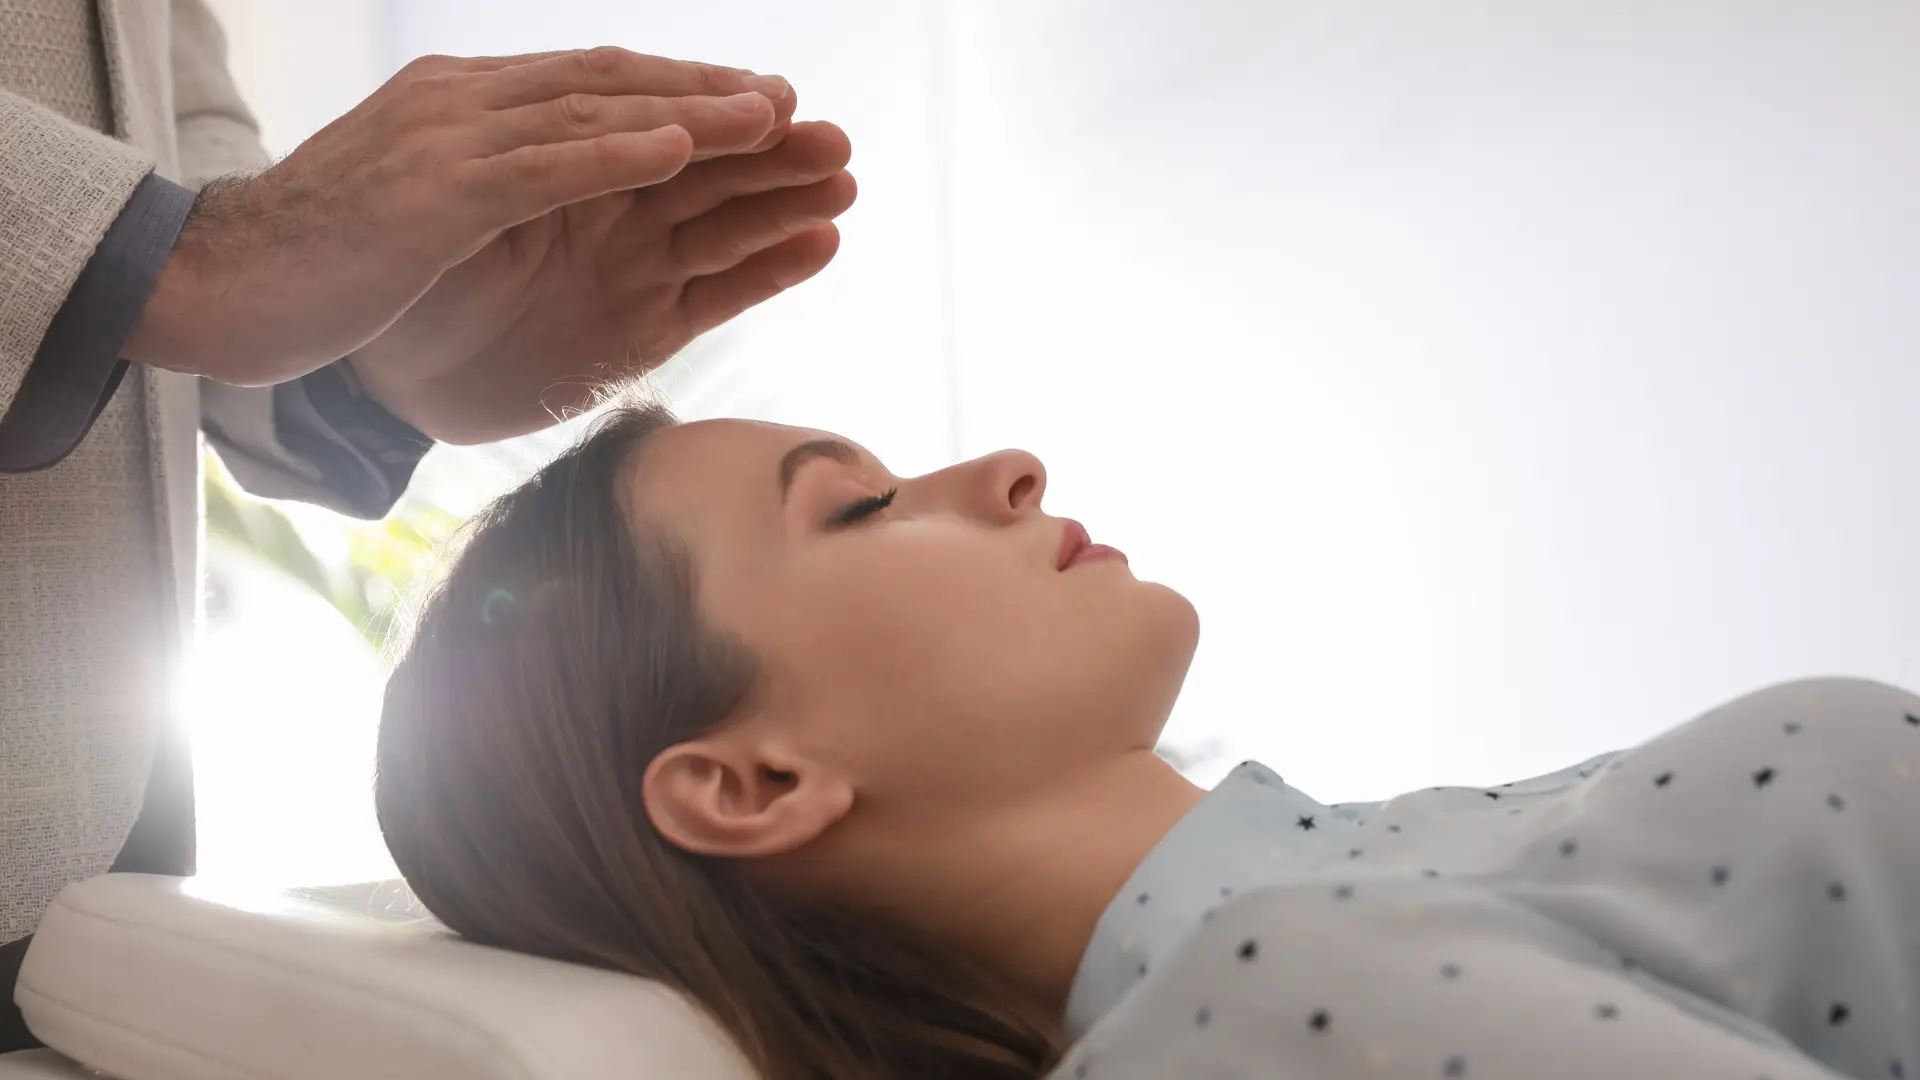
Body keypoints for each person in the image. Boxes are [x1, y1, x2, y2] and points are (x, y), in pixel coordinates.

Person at [375, 396, 1920, 1080]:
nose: (1006, 470)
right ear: (755, 783)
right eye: (861, 505)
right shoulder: (1281, 1007)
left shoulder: (1385, 896)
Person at [0, 0, 855, 1053]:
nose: (1013, 472)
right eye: (855, 510)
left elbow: (165, 97)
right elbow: (185, 248)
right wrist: (182, 258)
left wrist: (363, 351)